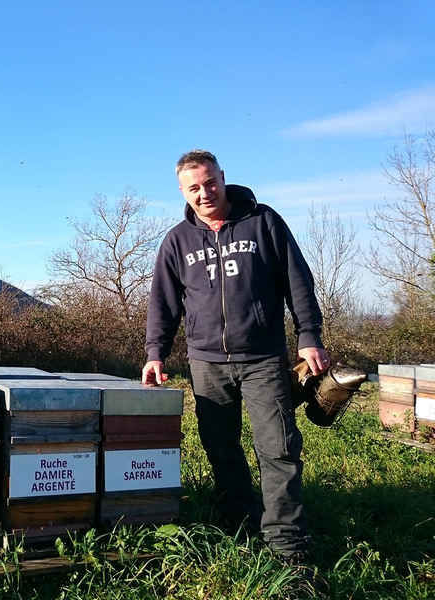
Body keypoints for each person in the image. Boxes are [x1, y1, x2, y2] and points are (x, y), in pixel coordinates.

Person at [141, 149, 329, 559]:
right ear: (182, 191)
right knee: (220, 446)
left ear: (222, 178)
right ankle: (239, 520)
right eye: (194, 187)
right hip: (206, 362)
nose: (204, 193)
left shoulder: (264, 222)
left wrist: (309, 336)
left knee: (278, 446)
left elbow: (298, 281)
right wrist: (156, 352)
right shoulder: (177, 240)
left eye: (210, 182)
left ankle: (287, 545)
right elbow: (163, 303)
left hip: (263, 357)